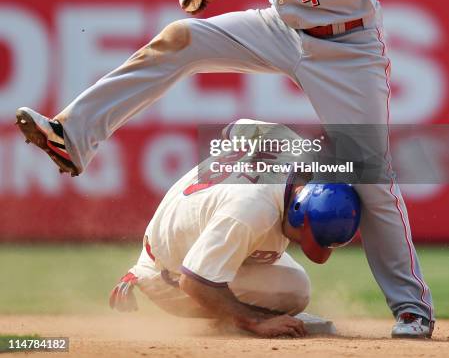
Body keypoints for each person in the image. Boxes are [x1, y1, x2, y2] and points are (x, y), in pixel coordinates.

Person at [16, 0, 433, 338]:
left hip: (345, 45)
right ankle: (72, 135)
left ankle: (411, 309)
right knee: (180, 38)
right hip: (283, 28)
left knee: (370, 176)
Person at [108, 120, 359, 338]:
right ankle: (240, 320)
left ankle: (243, 309)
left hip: (188, 232)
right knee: (293, 291)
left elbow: (232, 130)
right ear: (296, 210)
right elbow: (193, 282)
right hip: (168, 274)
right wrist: (256, 320)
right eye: (304, 236)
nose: (301, 243)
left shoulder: (290, 145)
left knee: (282, 271)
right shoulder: (253, 211)